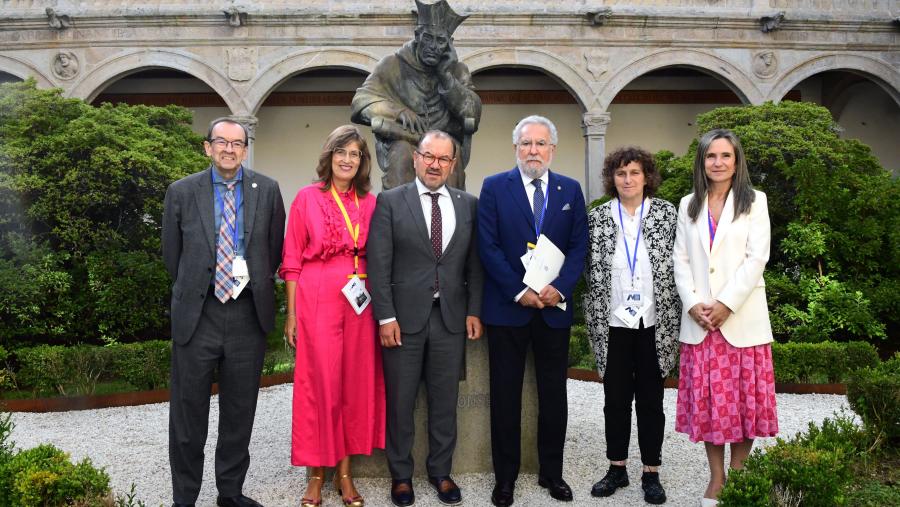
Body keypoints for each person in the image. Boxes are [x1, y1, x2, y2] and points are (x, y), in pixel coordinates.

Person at [162, 117, 286, 507]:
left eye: (237, 143)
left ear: (245, 149)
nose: (229, 149)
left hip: (247, 315)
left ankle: (229, 492)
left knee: (239, 412)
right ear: (207, 147)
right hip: (198, 316)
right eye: (221, 142)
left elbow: (274, 249)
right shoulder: (181, 192)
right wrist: (200, 286)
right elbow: (172, 256)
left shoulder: (267, 190)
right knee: (187, 414)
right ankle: (185, 496)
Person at [367, 130, 484, 507]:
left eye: (443, 159)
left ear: (453, 164)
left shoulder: (468, 204)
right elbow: (378, 265)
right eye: (428, 156)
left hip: (450, 320)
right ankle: (401, 476)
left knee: (444, 401)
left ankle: (441, 472)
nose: (435, 164)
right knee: (400, 402)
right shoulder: (390, 202)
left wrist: (473, 310)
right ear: (416, 158)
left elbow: (474, 266)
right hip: (403, 321)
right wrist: (385, 316)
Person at [477, 115, 588, 506]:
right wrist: (518, 290)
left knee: (554, 395)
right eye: (526, 143)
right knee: (505, 397)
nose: (533, 150)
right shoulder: (494, 187)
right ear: (516, 149)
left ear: (553, 149)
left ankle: (551, 474)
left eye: (541, 144)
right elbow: (487, 246)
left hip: (553, 309)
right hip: (509, 310)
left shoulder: (570, 190)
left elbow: (578, 248)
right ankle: (504, 479)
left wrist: (558, 289)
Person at [280, 125, 386, 507]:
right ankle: (314, 475)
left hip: (360, 299)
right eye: (341, 151)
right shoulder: (307, 198)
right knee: (319, 386)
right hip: (318, 297)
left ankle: (344, 474)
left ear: (362, 162)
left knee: (352, 387)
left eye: (355, 154)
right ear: (329, 156)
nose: (347, 159)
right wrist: (291, 314)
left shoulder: (371, 203)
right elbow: (291, 261)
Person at [672, 129, 778, 506]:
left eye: (725, 156)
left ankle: (740, 473)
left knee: (744, 404)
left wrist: (726, 304)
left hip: (741, 320)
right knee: (713, 407)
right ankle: (716, 480)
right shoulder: (689, 204)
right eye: (711, 156)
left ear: (737, 161)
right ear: (702, 162)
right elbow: (680, 261)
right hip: (702, 324)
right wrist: (694, 304)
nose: (718, 163)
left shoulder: (755, 202)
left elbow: (757, 258)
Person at [584, 147, 680, 505]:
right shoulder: (598, 217)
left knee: (652, 402)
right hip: (613, 322)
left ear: (647, 177)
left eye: (634, 173)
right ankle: (617, 467)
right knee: (615, 400)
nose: (627, 179)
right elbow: (587, 265)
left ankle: (651, 471)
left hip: (655, 321)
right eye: (621, 173)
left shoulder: (667, 214)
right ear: (612, 178)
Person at [350, 0, 481, 190]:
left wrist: (446, 77)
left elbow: (473, 113)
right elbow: (360, 102)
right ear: (417, 36)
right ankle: (398, 216)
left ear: (449, 45)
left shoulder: (457, 70)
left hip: (444, 142)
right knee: (402, 153)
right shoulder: (392, 64)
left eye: (440, 41)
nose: (434, 46)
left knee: (447, 154)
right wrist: (397, 111)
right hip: (406, 140)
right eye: (428, 38)